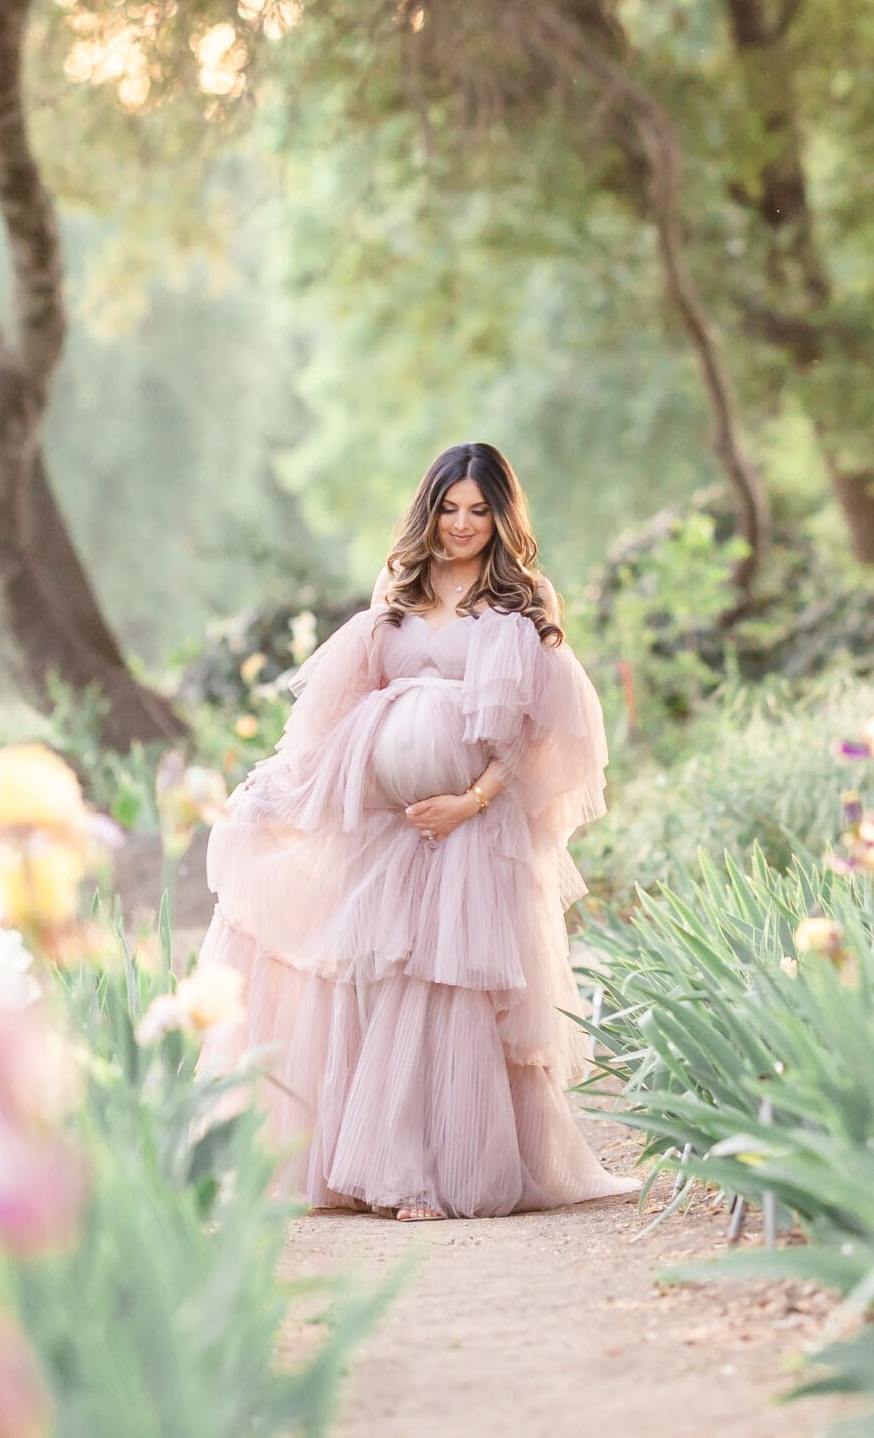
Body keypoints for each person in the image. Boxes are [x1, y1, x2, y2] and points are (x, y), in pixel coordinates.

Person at [194, 442, 637, 1221]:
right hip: (389, 824)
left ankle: (437, 1175)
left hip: (474, 824)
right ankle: (375, 1162)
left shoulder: (522, 600)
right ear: (427, 507)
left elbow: (534, 735)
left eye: (478, 510)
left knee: (446, 989)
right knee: (381, 984)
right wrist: (281, 788)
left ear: (502, 516)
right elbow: (336, 711)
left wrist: (468, 800)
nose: (462, 525)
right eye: (449, 506)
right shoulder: (396, 590)